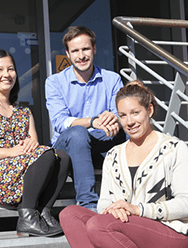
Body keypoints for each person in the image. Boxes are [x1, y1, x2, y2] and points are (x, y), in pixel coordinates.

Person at [59, 80, 188, 247]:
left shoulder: (174, 148)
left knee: (99, 225)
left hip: (169, 230)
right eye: (123, 115)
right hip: (127, 226)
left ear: (149, 110)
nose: (129, 122)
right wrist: (113, 209)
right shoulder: (114, 155)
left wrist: (138, 209)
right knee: (69, 214)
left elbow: (185, 203)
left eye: (135, 113)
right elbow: (104, 202)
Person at [0, 49, 71, 237]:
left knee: (62, 156)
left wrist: (30, 146)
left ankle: (43, 212)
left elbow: (35, 145)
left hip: (21, 170)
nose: (6, 74)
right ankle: (27, 217)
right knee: (45, 154)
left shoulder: (24, 112)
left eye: (11, 69)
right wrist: (11, 151)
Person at [45, 25, 126, 209]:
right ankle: (88, 203)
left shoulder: (112, 79)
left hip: (100, 141)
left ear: (94, 49)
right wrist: (92, 121)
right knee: (78, 133)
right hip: (66, 146)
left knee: (128, 128)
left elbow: (120, 113)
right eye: (75, 51)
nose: (81, 56)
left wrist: (114, 119)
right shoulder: (54, 82)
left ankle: (136, 195)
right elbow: (60, 122)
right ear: (68, 54)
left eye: (85, 49)